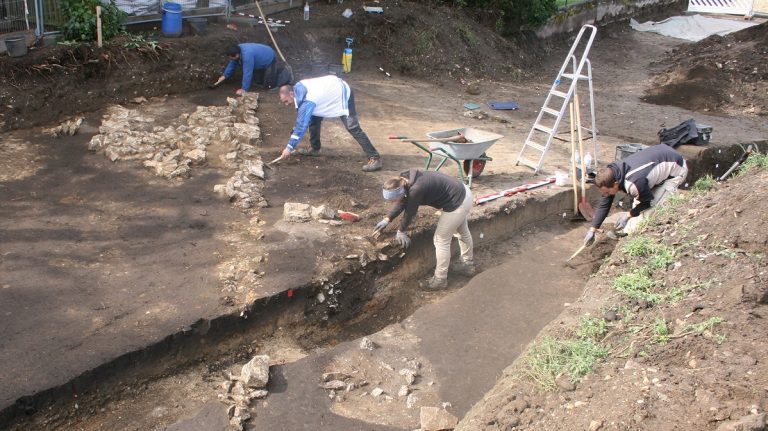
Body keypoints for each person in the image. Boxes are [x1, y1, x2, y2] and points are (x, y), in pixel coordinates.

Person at [374, 169, 474, 289]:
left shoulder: (416, 189)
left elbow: (410, 212)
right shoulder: (404, 179)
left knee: (441, 240)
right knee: (462, 231)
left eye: (392, 200)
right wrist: (387, 219)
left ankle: (440, 279)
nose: (392, 203)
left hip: (457, 202)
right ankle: (467, 265)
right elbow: (403, 201)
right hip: (463, 192)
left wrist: (401, 230)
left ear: (400, 193)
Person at [584, 144, 688, 246]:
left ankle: (641, 239)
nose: (605, 194)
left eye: (607, 192)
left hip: (676, 168)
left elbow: (647, 202)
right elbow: (605, 203)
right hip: (659, 158)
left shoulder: (633, 183)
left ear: (615, 184)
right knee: (638, 201)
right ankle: (627, 233)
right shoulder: (613, 174)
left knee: (652, 208)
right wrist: (593, 229)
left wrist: (629, 215)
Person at [278, 75, 382, 172]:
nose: (287, 104)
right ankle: (315, 148)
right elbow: (302, 116)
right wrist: (296, 127)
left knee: (352, 127)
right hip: (330, 90)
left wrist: (289, 148)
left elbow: (301, 125)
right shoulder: (298, 89)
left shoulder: (307, 99)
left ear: (291, 94)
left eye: (286, 101)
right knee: (314, 119)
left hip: (342, 92)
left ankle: (375, 158)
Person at [213, 43, 288, 95]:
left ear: (237, 55)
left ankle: (279, 73)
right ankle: (264, 74)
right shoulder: (236, 50)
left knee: (269, 86)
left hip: (268, 56)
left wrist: (244, 89)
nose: (231, 59)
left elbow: (247, 72)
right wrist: (224, 75)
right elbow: (232, 64)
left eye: (232, 57)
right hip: (259, 58)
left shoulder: (247, 55)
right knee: (258, 82)